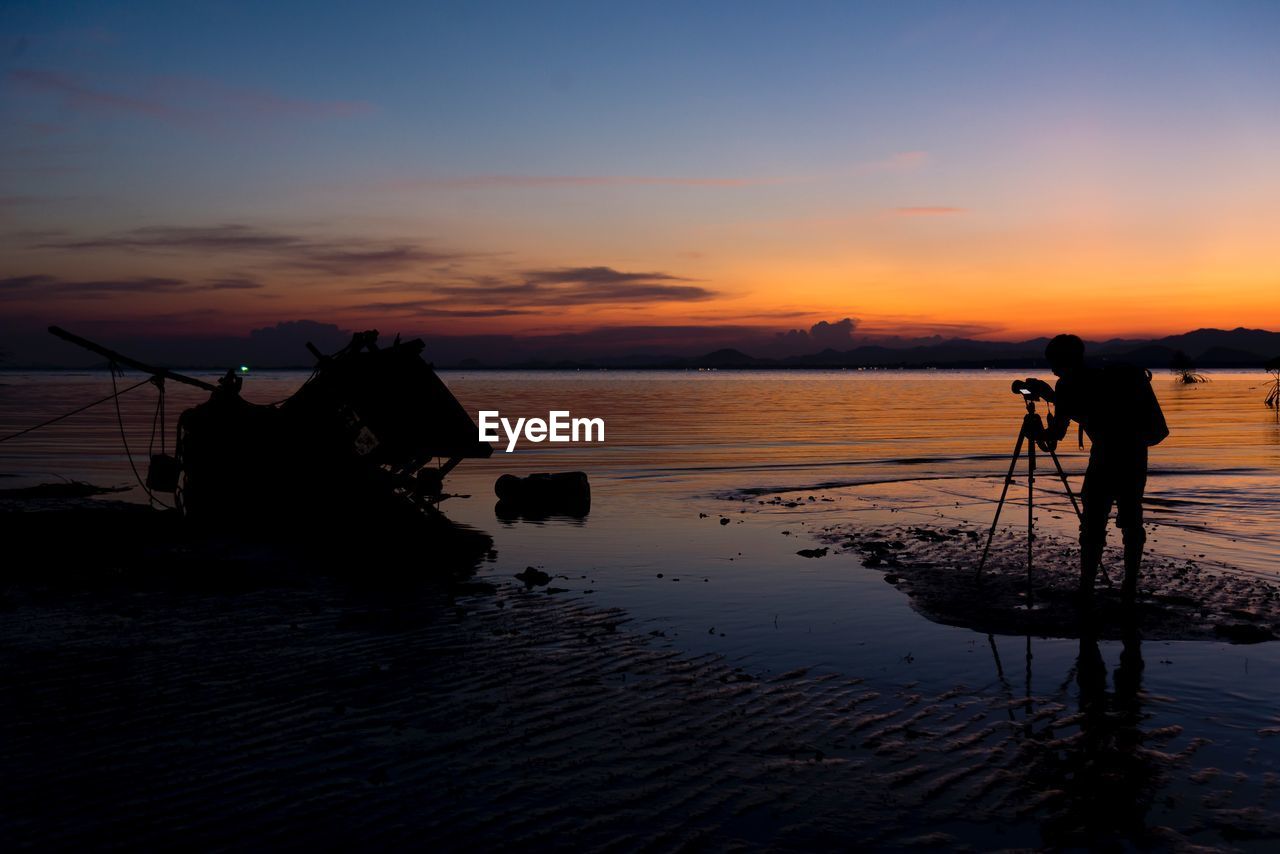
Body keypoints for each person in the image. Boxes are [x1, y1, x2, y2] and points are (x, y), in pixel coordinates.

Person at [1023, 334, 1166, 606]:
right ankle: (1129, 588)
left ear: (1064, 360)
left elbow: (1054, 437)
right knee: (1132, 522)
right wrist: (1052, 397)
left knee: (1092, 525)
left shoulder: (1067, 385)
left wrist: (1035, 430)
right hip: (1135, 455)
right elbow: (1088, 407)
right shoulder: (1105, 378)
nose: (1052, 368)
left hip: (1104, 459)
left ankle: (1087, 587)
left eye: (1053, 362)